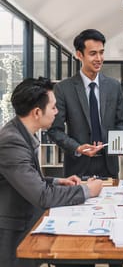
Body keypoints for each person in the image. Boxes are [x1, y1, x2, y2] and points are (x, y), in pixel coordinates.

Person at [0, 77, 102, 267]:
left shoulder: (20, 132)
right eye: (54, 107)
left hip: (24, 219)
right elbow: (42, 196)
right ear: (37, 112)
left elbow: (26, 178)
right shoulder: (11, 141)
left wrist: (57, 182)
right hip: (12, 230)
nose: (57, 112)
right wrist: (87, 191)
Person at [48, 29, 123, 179]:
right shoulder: (63, 88)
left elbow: (120, 123)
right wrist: (77, 147)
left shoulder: (113, 86)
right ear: (79, 55)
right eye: (93, 53)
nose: (99, 58)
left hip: (109, 166)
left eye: (101, 52)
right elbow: (55, 130)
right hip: (78, 167)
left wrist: (122, 144)